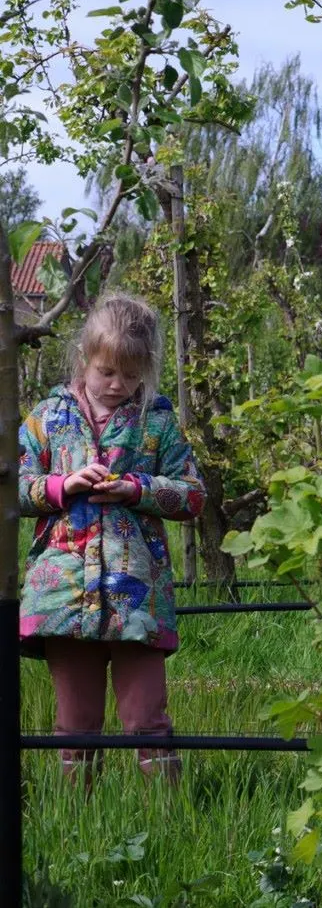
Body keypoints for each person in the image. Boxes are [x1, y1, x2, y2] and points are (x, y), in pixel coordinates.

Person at [20, 294, 205, 783]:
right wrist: (61, 487)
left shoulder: (157, 421)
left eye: (131, 373)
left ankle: (167, 824)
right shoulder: (47, 419)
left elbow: (193, 496)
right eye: (107, 371)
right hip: (62, 591)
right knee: (75, 725)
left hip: (136, 594)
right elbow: (12, 490)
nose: (119, 384)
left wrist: (136, 489)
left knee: (147, 720)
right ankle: (75, 827)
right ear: (84, 358)